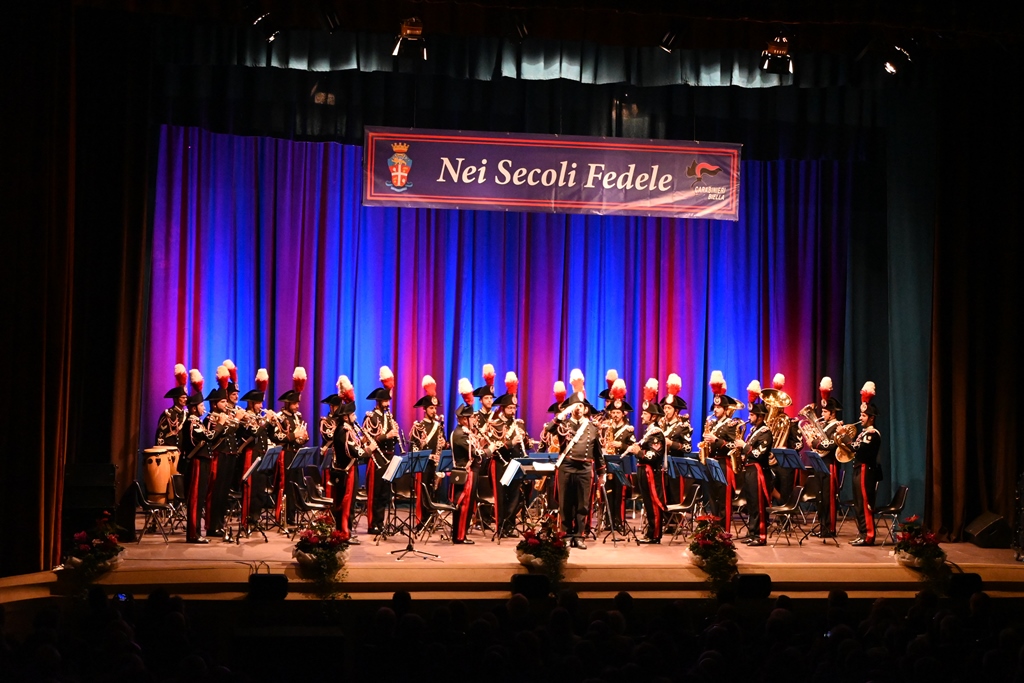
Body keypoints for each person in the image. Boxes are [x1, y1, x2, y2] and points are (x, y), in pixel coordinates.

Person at [546, 392, 606, 549]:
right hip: (566, 467)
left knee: (583, 504)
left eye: (581, 405)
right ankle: (566, 535)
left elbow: (598, 452)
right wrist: (563, 413)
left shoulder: (592, 427)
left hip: (585, 469)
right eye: (575, 405)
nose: (578, 408)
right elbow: (549, 429)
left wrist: (602, 473)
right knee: (565, 503)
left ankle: (579, 535)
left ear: (585, 409)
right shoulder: (563, 425)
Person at [839, 382, 882, 546]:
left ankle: (869, 535)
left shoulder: (872, 434)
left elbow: (858, 448)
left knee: (865, 504)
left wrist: (844, 436)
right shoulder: (864, 433)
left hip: (866, 470)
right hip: (858, 469)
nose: (860, 418)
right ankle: (862, 533)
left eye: (863, 416)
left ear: (871, 418)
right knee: (858, 504)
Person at [487, 374, 526, 537]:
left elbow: (525, 444)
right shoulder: (496, 424)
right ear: (503, 408)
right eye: (510, 408)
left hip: (515, 464)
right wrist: (511, 442)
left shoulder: (518, 424)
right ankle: (500, 527)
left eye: (514, 408)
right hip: (501, 464)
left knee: (515, 496)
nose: (513, 411)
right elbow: (494, 445)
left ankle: (510, 525)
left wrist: (525, 440)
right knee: (501, 497)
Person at [271, 367, 310, 528]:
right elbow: (277, 437)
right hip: (285, 454)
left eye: (298, 403)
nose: (297, 406)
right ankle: (282, 515)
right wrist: (295, 436)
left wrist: (303, 438)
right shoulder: (279, 417)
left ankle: (292, 514)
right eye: (294, 403)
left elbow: (300, 436)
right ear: (287, 403)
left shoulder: (297, 417)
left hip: (295, 453)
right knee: (285, 485)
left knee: (295, 485)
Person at [363, 366, 399, 535]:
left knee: (385, 493)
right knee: (375, 493)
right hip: (377, 458)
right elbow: (368, 438)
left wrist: (395, 436)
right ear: (378, 402)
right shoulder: (371, 417)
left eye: (388, 401)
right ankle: (372, 524)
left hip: (389, 458)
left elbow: (392, 437)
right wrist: (387, 435)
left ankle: (380, 522)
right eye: (385, 401)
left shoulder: (389, 417)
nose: (387, 404)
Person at [410, 375, 448, 526]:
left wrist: (445, 444)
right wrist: (422, 445)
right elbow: (413, 448)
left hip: (436, 464)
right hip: (424, 464)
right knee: (423, 493)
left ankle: (432, 520)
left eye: (435, 408)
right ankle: (422, 520)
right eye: (431, 408)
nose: (434, 411)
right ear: (425, 409)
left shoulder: (439, 426)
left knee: (434, 492)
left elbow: (445, 444)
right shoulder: (418, 427)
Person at [734, 401, 775, 545]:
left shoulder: (766, 432)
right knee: (751, 504)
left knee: (758, 505)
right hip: (750, 470)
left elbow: (759, 454)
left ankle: (760, 536)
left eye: (752, 415)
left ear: (760, 417)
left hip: (759, 471)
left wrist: (744, 446)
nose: (749, 417)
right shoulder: (754, 431)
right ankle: (752, 533)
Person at [627, 399, 665, 543]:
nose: (642, 416)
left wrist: (638, 452)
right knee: (648, 503)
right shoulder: (648, 433)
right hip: (644, 471)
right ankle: (650, 533)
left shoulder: (656, 433)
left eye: (645, 413)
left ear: (653, 417)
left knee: (654, 502)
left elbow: (654, 456)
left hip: (651, 472)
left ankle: (654, 534)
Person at [238, 369, 273, 530]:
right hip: (250, 455)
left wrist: (273, 423)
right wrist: (266, 421)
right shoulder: (246, 417)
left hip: (262, 455)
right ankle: (247, 519)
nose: (261, 406)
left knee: (259, 489)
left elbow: (268, 434)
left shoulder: (259, 417)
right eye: (258, 403)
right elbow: (254, 432)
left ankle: (256, 517)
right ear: (251, 403)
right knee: (250, 489)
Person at [809, 378, 842, 538]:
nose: (821, 415)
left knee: (828, 498)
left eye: (825, 412)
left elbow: (830, 445)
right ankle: (823, 526)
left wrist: (814, 442)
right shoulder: (825, 426)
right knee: (820, 497)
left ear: (833, 413)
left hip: (830, 465)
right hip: (820, 463)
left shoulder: (837, 426)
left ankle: (830, 528)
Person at [601, 379, 635, 534]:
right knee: (608, 494)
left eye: (617, 413)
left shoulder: (628, 430)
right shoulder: (606, 428)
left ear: (623, 414)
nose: (615, 415)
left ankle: (619, 521)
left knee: (619, 495)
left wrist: (620, 445)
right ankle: (608, 521)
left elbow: (633, 448)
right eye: (613, 412)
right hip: (608, 465)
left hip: (621, 466)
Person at [331, 399, 366, 542]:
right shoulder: (343, 431)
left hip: (350, 469)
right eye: (353, 414)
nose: (355, 417)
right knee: (346, 502)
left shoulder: (346, 430)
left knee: (350, 502)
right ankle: (344, 533)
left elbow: (353, 446)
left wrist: (362, 442)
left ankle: (346, 531)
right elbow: (351, 451)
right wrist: (368, 450)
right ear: (345, 417)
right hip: (346, 471)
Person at [448, 404, 480, 544]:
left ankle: (462, 534)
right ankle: (459, 536)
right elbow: (476, 454)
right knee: (464, 504)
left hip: (467, 472)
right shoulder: (460, 435)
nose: (473, 420)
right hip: (465, 473)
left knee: (467, 504)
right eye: (471, 417)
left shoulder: (464, 432)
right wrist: (490, 449)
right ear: (463, 419)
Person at [660, 373, 693, 504]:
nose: (666, 411)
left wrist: (671, 444)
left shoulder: (682, 426)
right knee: (664, 498)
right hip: (662, 467)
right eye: (665, 408)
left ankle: (676, 517)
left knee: (675, 498)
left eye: (669, 408)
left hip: (676, 467)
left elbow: (688, 448)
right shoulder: (661, 425)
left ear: (676, 411)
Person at [155, 363, 188, 447]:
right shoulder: (168, 414)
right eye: (183, 397)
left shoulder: (186, 414)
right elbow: (161, 436)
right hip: (170, 451)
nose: (185, 399)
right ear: (176, 399)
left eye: (186, 397)